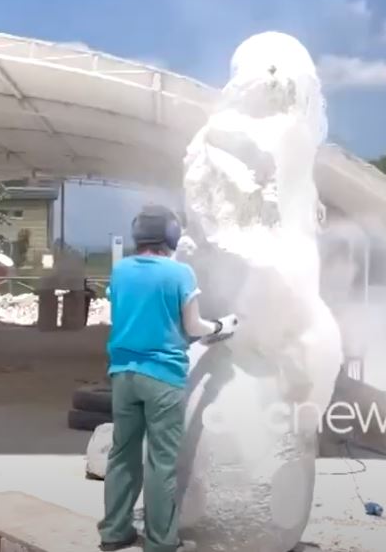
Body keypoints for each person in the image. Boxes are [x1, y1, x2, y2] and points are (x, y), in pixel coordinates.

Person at [98, 204, 239, 552]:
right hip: (162, 376)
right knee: (161, 462)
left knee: (122, 455)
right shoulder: (180, 273)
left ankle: (114, 532)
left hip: (123, 374)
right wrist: (222, 326)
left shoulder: (121, 271)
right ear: (172, 236)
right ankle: (161, 542)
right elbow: (194, 328)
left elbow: (121, 313)